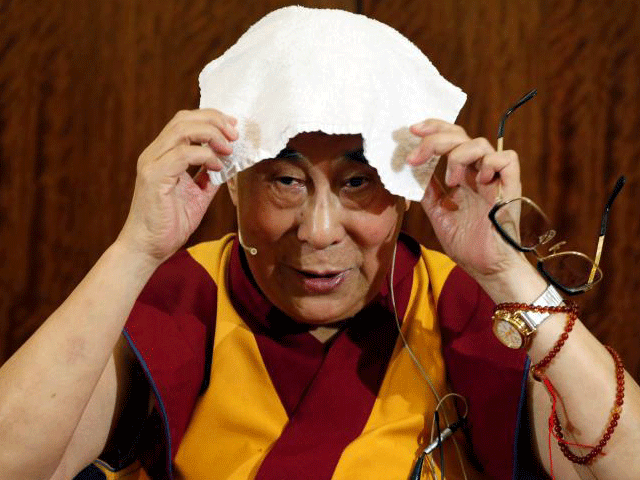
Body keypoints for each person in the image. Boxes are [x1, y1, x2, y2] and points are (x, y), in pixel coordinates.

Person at [1, 7, 639, 480]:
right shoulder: (185, 299)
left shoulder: (461, 307)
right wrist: (134, 250)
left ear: (405, 189)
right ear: (230, 183)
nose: (319, 230)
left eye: (359, 182)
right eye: (285, 180)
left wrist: (508, 272)